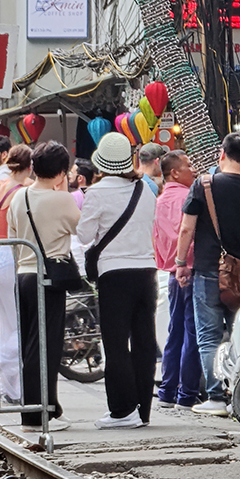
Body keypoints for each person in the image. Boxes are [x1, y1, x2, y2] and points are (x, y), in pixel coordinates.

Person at [174, 132, 240, 416]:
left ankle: (216, 397)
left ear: (221, 154)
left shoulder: (204, 185)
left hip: (207, 271)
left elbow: (186, 229)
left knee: (209, 336)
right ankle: (239, 394)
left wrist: (181, 262)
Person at [78, 133, 158, 428]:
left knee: (115, 344)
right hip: (146, 271)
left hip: (114, 273)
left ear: (101, 162)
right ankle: (143, 411)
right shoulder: (145, 190)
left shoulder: (96, 193)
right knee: (144, 343)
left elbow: (85, 236)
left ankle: (122, 411)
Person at [7, 141, 80, 432]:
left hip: (23, 275)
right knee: (46, 346)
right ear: (62, 171)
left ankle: (40, 409)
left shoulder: (19, 197)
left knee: (30, 346)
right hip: (49, 277)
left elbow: (13, 237)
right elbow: (81, 229)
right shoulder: (62, 200)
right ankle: (39, 416)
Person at [0, 143, 33, 403]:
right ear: (30, 165)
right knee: (23, 324)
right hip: (13, 258)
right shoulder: (24, 192)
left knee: (3, 325)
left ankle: (10, 390)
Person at [153, 150, 200, 410]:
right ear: (174, 172)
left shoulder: (159, 201)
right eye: (188, 165)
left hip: (172, 273)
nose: (192, 169)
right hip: (191, 270)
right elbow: (188, 231)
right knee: (192, 333)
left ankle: (167, 391)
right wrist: (184, 262)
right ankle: (187, 394)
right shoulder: (191, 197)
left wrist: (170, 264)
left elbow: (156, 239)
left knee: (175, 332)